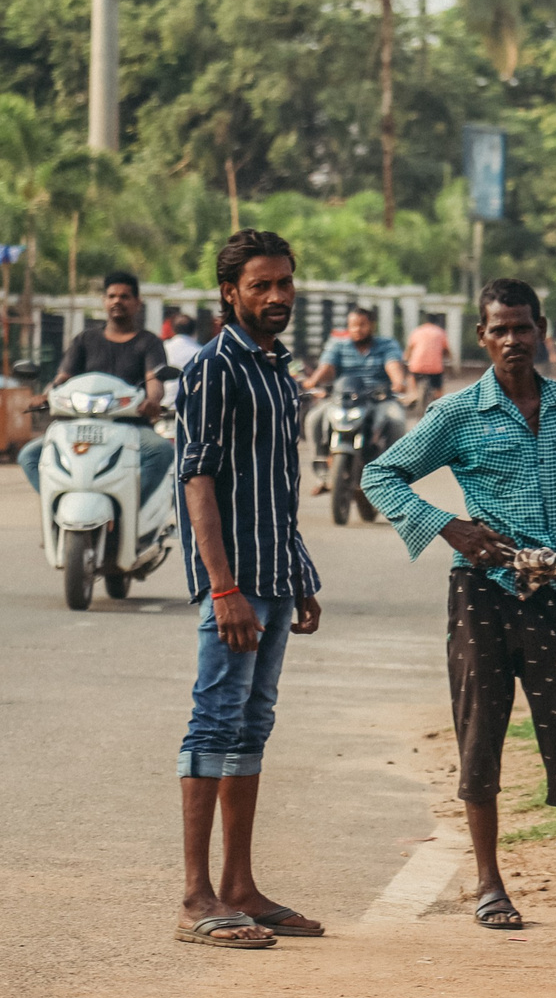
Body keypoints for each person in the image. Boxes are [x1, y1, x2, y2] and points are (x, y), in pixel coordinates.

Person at [363, 279, 556, 931]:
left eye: (522, 327)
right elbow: (379, 475)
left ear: (541, 330)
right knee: (482, 735)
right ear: (481, 337)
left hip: (550, 591)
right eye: (498, 329)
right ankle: (489, 884)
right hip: (483, 595)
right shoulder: (457, 413)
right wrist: (451, 528)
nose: (511, 340)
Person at [172, 230, 325, 948]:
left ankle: (240, 886)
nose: (276, 297)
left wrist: (301, 575)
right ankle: (196, 896)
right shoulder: (213, 368)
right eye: (261, 285)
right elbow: (197, 478)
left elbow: (277, 489)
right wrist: (221, 585)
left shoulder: (274, 370)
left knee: (251, 726)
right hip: (233, 586)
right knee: (213, 722)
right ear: (229, 292)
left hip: (274, 578)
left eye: (285, 283)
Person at [18, 271, 173, 504]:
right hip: (80, 426)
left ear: (137, 303)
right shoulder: (85, 340)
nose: (117, 301)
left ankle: (129, 509)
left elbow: (154, 381)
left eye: (124, 296)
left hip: (130, 426)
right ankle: (58, 510)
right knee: (29, 456)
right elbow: (63, 378)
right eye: (111, 296)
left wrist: (152, 401)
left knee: (161, 451)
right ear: (104, 301)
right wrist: (46, 396)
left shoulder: (149, 342)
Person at [302, 305, 407, 495]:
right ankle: (323, 472)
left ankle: (390, 474)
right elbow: (327, 367)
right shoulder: (338, 344)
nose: (357, 330)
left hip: (378, 398)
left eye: (362, 325)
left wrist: (398, 382)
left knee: (397, 420)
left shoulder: (387, 344)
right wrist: (313, 381)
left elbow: (393, 366)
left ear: (372, 325)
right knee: (314, 418)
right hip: (342, 398)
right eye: (352, 325)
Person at [404, 312, 450, 409]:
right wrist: (448, 358)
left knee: (410, 377)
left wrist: (406, 358)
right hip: (435, 367)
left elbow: (410, 348)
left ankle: (413, 395)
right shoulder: (440, 332)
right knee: (438, 386)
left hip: (417, 366)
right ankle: (439, 401)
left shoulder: (417, 331)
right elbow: (446, 350)